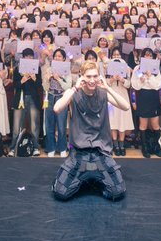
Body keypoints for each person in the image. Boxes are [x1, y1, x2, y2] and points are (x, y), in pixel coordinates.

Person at [51, 62, 129, 202]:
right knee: (61, 193)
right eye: (88, 76)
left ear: (99, 76)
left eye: (95, 76)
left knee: (118, 192)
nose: (92, 80)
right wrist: (75, 88)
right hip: (79, 152)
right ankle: (85, 178)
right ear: (82, 76)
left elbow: (126, 106)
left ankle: (93, 178)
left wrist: (108, 88)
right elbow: (57, 108)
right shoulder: (73, 92)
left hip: (101, 152)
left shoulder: (103, 93)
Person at [132, 46, 161, 157]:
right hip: (142, 97)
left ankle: (156, 146)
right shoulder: (137, 68)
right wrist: (141, 80)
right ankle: (144, 147)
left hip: (153, 97)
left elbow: (157, 85)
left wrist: (150, 77)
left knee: (155, 124)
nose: (148, 57)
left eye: (150, 55)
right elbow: (135, 85)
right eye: (146, 55)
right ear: (142, 57)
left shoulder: (156, 68)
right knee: (143, 125)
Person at [42, 48, 75, 157]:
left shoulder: (67, 71)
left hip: (61, 98)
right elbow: (45, 88)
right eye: (56, 56)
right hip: (50, 97)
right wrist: (47, 79)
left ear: (64, 58)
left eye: (60, 56)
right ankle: (51, 148)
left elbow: (68, 86)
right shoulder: (49, 69)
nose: (57, 58)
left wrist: (59, 79)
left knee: (61, 125)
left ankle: (62, 148)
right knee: (49, 124)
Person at [10, 47, 42, 154]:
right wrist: (22, 80)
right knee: (16, 126)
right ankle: (13, 148)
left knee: (34, 125)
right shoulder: (17, 69)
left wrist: (34, 78)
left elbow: (39, 85)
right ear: (23, 58)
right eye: (26, 56)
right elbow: (15, 85)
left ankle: (35, 148)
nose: (29, 58)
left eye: (31, 56)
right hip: (20, 99)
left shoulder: (37, 68)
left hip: (33, 99)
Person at [105, 47, 134, 156]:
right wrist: (113, 79)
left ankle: (122, 144)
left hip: (123, 95)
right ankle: (115, 145)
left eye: (118, 55)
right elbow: (105, 83)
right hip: (112, 96)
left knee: (122, 120)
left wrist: (122, 79)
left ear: (121, 56)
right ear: (111, 56)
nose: (116, 57)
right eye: (114, 55)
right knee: (113, 120)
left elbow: (129, 84)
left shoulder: (126, 68)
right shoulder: (107, 67)